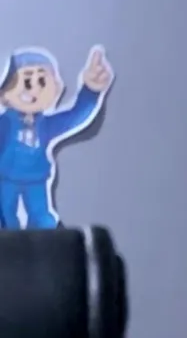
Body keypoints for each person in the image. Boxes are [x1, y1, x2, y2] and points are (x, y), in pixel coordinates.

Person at [0, 46, 113, 229]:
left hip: (37, 179)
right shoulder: (5, 123)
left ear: (56, 89)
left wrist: (91, 91)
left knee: (41, 216)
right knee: (6, 213)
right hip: (6, 178)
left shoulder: (45, 125)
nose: (35, 90)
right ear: (5, 94)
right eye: (27, 82)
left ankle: (48, 238)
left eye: (42, 81)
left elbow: (74, 117)